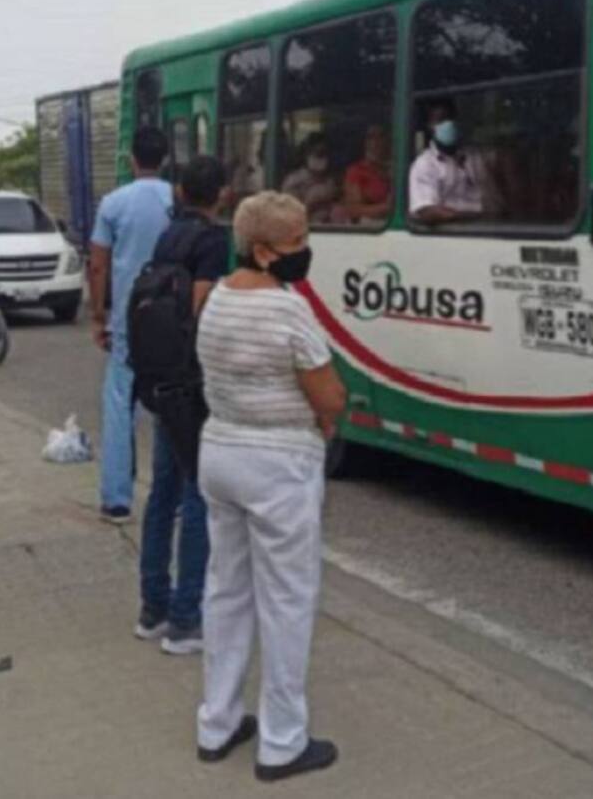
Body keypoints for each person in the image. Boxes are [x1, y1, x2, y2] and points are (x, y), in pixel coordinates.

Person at [194, 191, 346, 782]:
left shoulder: (217, 299)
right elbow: (328, 394)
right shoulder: (289, 310)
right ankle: (282, 742)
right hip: (278, 463)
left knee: (226, 591)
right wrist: (329, 414)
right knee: (287, 600)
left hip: (220, 453)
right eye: (296, 242)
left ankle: (218, 722)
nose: (305, 251)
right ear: (262, 250)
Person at [135, 155, 230, 656]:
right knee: (197, 496)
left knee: (163, 494)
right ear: (221, 194)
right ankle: (186, 620)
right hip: (192, 383)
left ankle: (153, 608)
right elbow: (202, 306)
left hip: (160, 377)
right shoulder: (212, 241)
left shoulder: (168, 236)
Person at [89, 125, 173, 524]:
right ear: (166, 159)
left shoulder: (113, 203)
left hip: (129, 316)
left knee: (120, 403)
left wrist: (98, 315)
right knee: (172, 402)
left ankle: (117, 500)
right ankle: (172, 497)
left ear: (131, 159)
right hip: (172, 317)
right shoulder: (178, 199)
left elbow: (98, 264)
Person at [408, 101, 485, 225]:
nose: (448, 124)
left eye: (450, 118)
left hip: (489, 226)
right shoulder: (425, 164)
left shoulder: (474, 157)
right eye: (440, 120)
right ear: (430, 126)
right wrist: (476, 216)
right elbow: (427, 211)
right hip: (451, 230)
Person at [336, 124, 392, 225]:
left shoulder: (397, 169)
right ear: (365, 143)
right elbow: (354, 210)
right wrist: (386, 207)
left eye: (381, 136)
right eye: (371, 137)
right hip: (369, 227)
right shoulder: (356, 171)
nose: (376, 142)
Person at [280, 132, 340, 222]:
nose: (320, 158)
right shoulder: (293, 182)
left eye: (323, 154)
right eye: (316, 153)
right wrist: (310, 203)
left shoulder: (333, 181)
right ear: (306, 155)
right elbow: (288, 216)